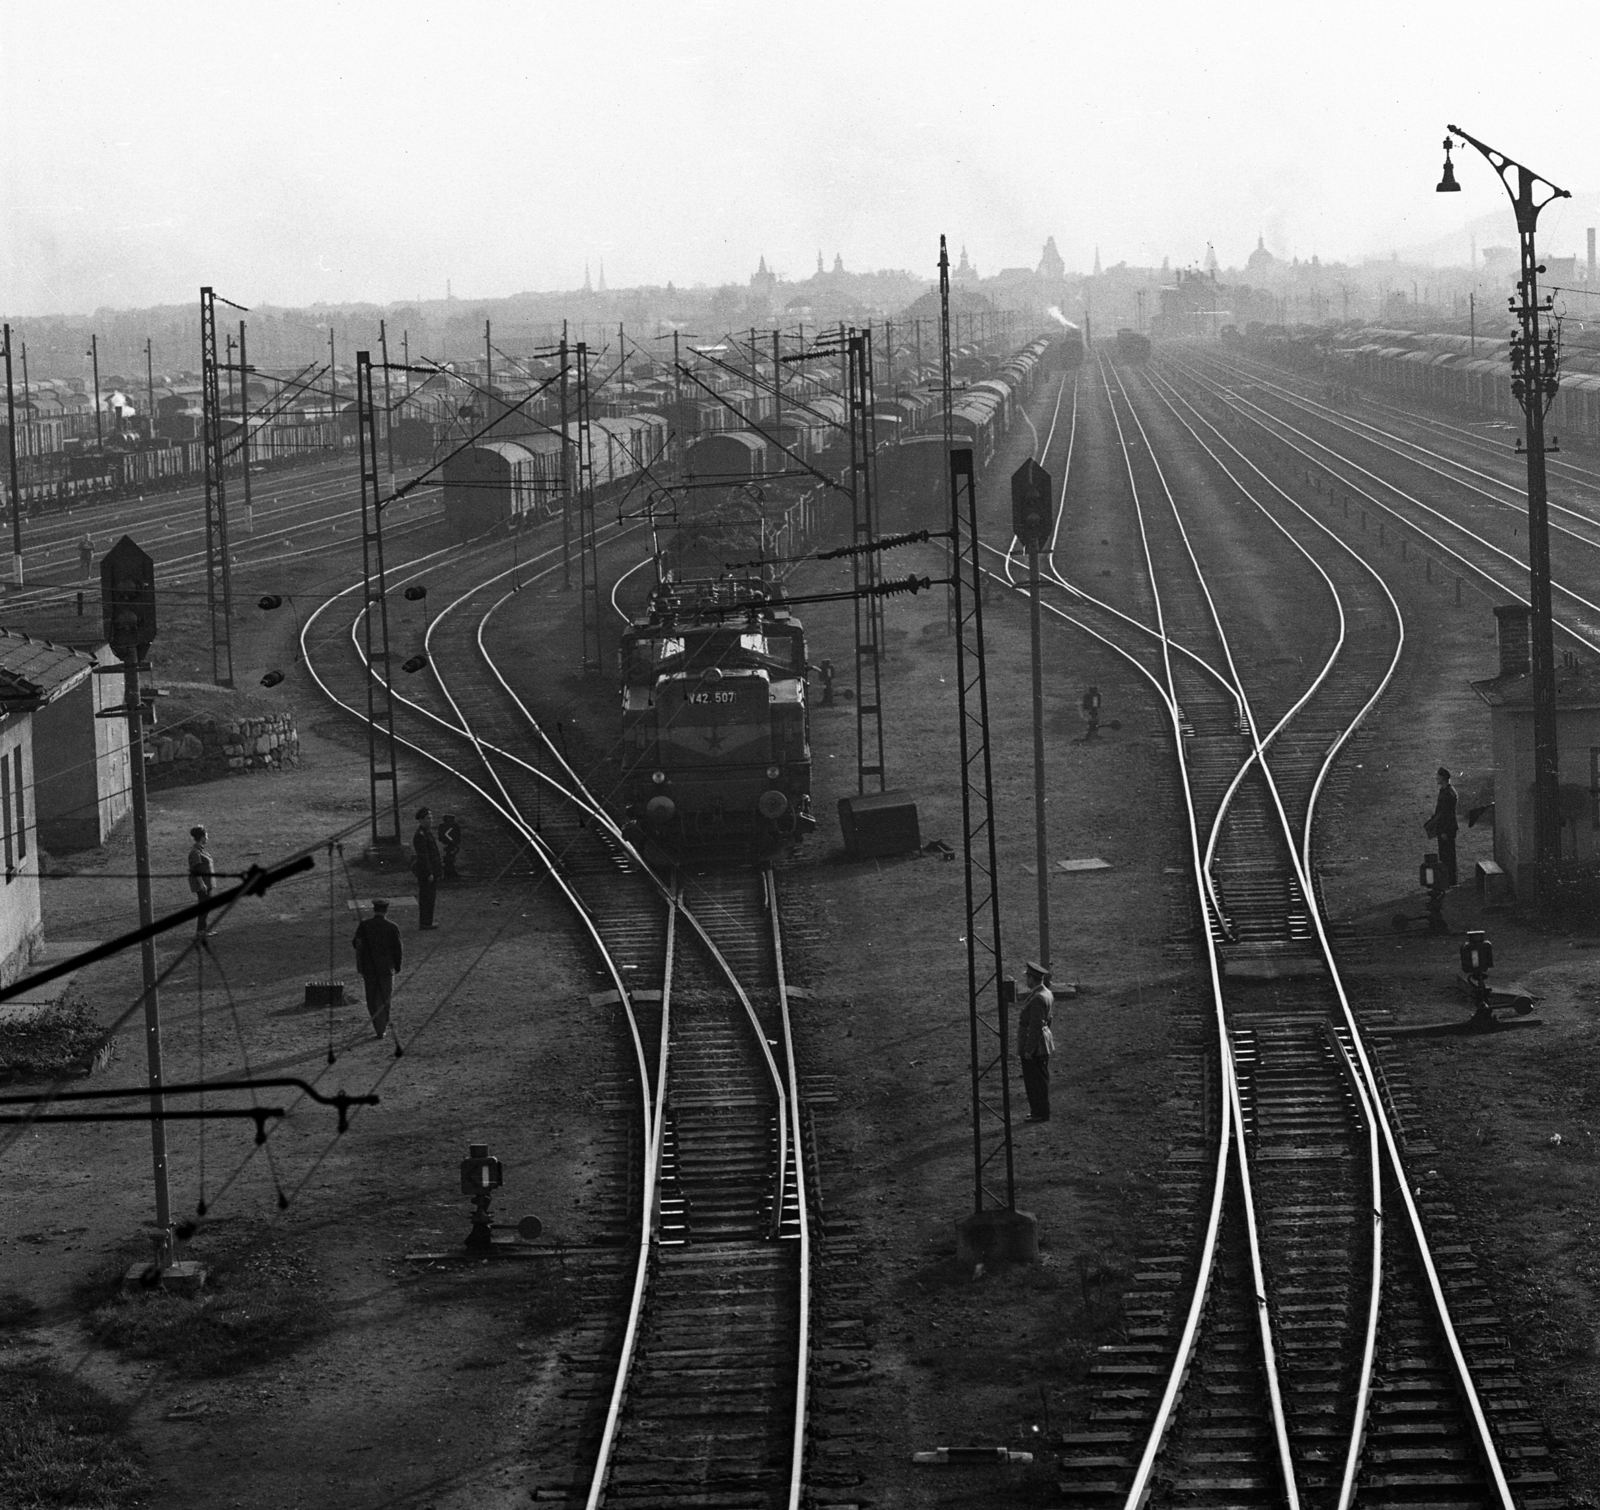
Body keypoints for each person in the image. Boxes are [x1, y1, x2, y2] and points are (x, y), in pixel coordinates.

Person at [351, 899, 403, 1038]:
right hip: (386, 969)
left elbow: (356, 943)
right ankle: (381, 1028)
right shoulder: (393, 927)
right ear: (386, 911)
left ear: (374, 910)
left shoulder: (364, 925)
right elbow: (398, 949)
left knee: (371, 997)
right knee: (385, 998)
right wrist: (397, 966)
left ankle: (377, 1025)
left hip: (369, 968)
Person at [1017, 961, 1054, 1123]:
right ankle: (1038, 1111)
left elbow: (1036, 1026)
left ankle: (1040, 1113)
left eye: (1028, 977)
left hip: (1035, 1047)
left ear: (1033, 978)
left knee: (1035, 1082)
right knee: (1039, 1079)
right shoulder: (1046, 993)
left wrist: (1028, 1049)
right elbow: (1048, 1019)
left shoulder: (1038, 998)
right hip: (1043, 1043)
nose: (1026, 980)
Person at [1428, 767, 1459, 887]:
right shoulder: (1446, 791)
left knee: (1448, 856)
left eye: (1438, 776)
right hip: (1444, 829)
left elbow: (1447, 815)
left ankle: (1450, 881)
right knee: (1445, 855)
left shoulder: (1448, 794)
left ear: (1443, 778)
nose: (1436, 778)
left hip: (1446, 829)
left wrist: (1444, 831)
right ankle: (1448, 880)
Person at [412, 807, 443, 930]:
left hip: (431, 870)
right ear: (421, 820)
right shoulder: (421, 835)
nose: (431, 820)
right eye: (428, 818)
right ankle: (425, 922)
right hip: (426, 872)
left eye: (431, 818)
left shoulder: (426, 832)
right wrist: (430, 873)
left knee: (430, 897)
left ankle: (427, 921)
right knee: (427, 898)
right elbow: (423, 856)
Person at [187, 825, 215, 936]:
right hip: (202, 884)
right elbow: (196, 870)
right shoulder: (196, 852)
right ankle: (200, 931)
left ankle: (203, 929)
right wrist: (202, 884)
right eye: (206, 835)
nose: (208, 837)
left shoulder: (200, 850)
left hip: (207, 883)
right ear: (202, 837)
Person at [439, 814, 462, 881]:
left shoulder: (443, 826)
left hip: (451, 845)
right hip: (452, 844)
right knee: (449, 858)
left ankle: (449, 873)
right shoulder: (455, 827)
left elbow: (443, 836)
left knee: (449, 858)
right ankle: (450, 873)